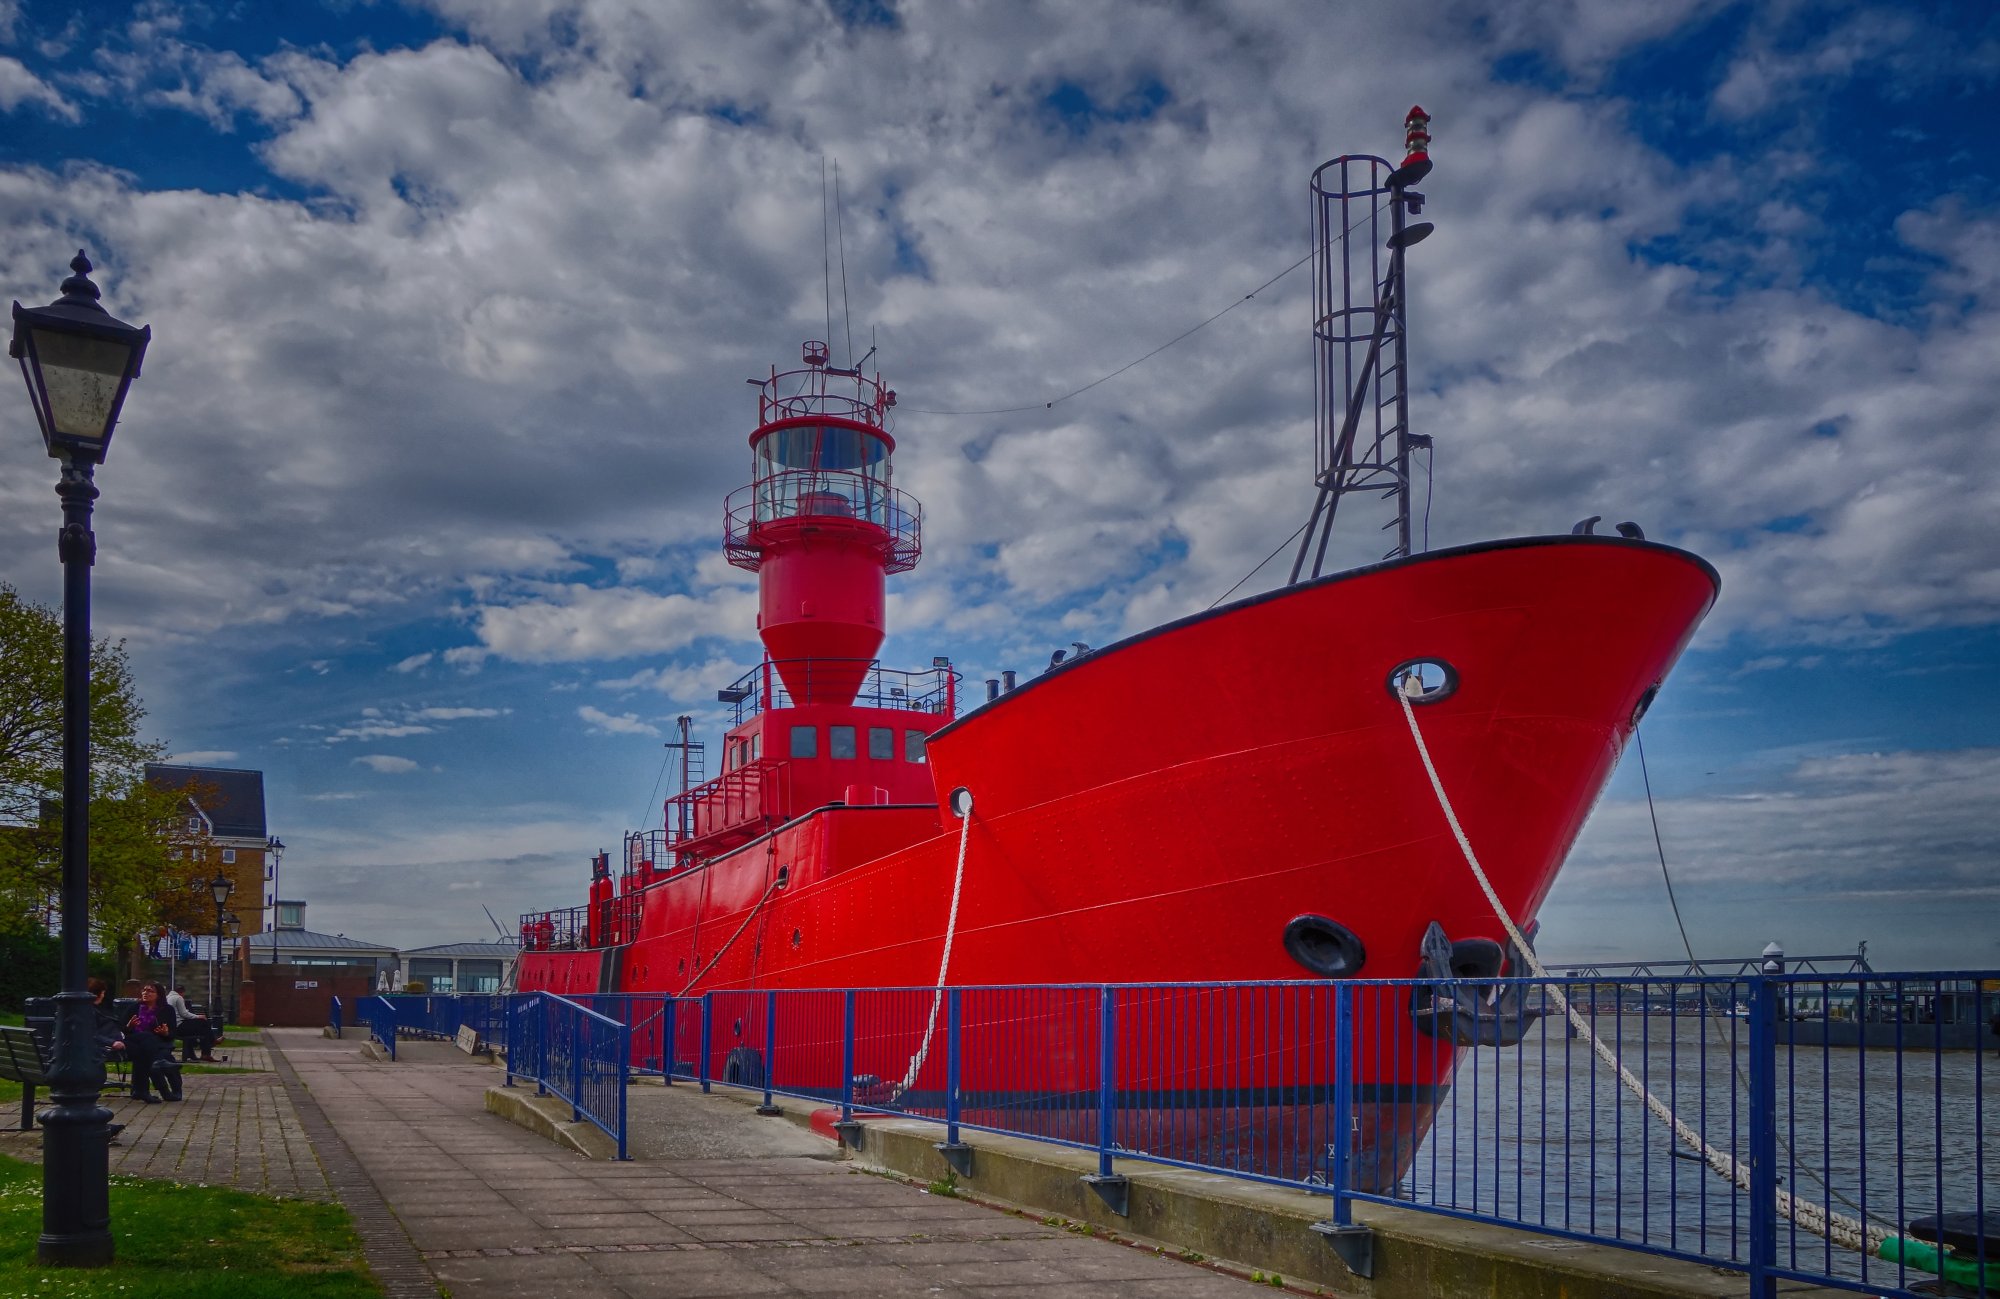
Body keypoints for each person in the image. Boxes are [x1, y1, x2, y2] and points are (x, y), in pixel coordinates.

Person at [120, 982, 182, 1103]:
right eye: (144, 990)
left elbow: (173, 1033)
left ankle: (175, 1089)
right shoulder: (134, 1008)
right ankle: (164, 1091)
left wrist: (165, 1033)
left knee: (159, 1056)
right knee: (152, 1059)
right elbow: (121, 1029)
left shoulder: (167, 1010)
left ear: (159, 995)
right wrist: (129, 1026)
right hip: (136, 1042)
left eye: (150, 991)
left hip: (159, 1042)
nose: (145, 993)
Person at [167, 984, 225, 1063]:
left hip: (173, 1027)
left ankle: (206, 1048)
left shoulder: (168, 997)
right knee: (204, 1023)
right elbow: (184, 1014)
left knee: (204, 1029)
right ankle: (210, 1045)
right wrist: (198, 1016)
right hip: (179, 1026)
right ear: (182, 992)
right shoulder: (178, 998)